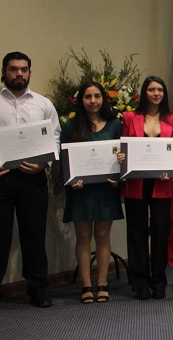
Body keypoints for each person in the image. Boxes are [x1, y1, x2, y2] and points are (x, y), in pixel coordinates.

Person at [0, 51, 59, 308]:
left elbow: (55, 138)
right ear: (4, 72)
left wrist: (43, 163)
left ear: (30, 73)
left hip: (33, 179)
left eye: (24, 69)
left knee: (34, 236)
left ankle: (38, 289)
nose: (19, 74)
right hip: (0, 180)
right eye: (13, 69)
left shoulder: (43, 104)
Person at [62, 81, 123, 303]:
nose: (93, 101)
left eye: (97, 96)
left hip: (106, 189)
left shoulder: (115, 125)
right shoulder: (71, 127)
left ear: (104, 98)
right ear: (81, 100)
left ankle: (102, 283)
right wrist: (71, 180)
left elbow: (122, 157)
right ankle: (86, 285)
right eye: (88, 97)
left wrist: (119, 169)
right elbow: (65, 161)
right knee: (84, 237)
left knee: (103, 237)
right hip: (81, 191)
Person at [119, 76, 173, 300]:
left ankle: (159, 281)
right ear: (144, 92)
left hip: (162, 184)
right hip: (136, 183)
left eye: (160, 90)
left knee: (161, 231)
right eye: (151, 89)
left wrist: (171, 169)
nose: (156, 94)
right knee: (136, 232)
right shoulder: (129, 117)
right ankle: (140, 282)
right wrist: (121, 156)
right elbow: (122, 145)